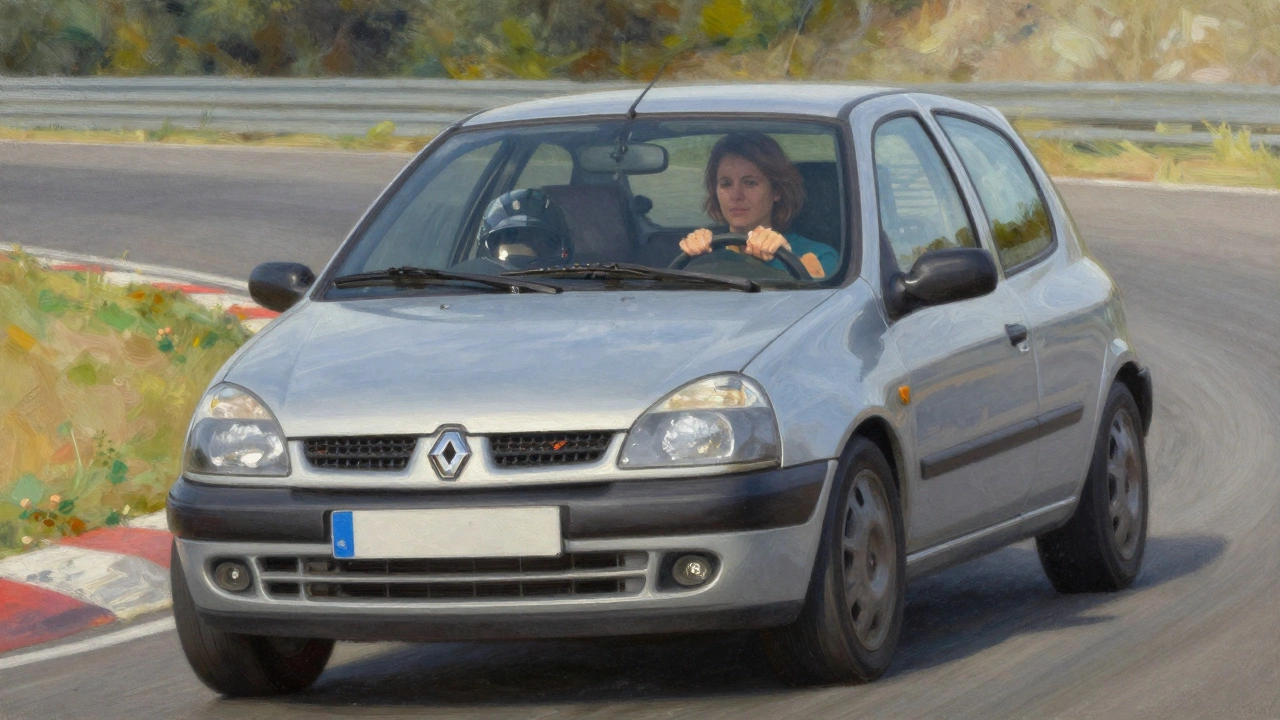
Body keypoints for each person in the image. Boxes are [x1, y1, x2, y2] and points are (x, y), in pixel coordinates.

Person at [679, 132, 838, 279]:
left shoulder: (821, 256)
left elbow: (817, 302)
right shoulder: (709, 250)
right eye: (726, 184)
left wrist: (786, 257)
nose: (736, 195)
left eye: (750, 183)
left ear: (776, 190)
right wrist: (695, 257)